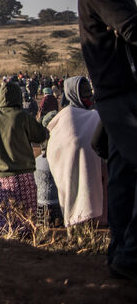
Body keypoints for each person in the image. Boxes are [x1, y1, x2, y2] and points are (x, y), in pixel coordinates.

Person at [78, 0, 137, 279]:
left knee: (122, 175)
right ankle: (129, 255)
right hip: (121, 94)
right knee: (124, 174)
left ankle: (120, 252)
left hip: (113, 94)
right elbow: (132, 29)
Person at [0, 81, 49, 234]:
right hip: (24, 174)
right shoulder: (22, 116)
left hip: (3, 176)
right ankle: (28, 245)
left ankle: (10, 244)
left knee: (8, 216)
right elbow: (41, 135)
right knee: (27, 216)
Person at [45, 76, 105, 227]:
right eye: (84, 93)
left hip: (92, 168)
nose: (88, 96)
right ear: (73, 93)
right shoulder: (67, 116)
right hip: (69, 169)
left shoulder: (94, 115)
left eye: (89, 92)